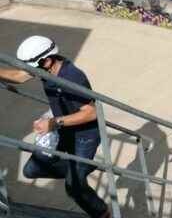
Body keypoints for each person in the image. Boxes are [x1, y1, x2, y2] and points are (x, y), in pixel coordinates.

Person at [0, 36, 110, 218]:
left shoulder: (72, 76)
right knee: (31, 170)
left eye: (32, 67)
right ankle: (81, 169)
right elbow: (19, 76)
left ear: (47, 60)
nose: (29, 71)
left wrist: (53, 123)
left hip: (84, 138)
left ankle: (102, 212)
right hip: (65, 133)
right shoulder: (46, 69)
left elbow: (91, 113)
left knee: (73, 188)